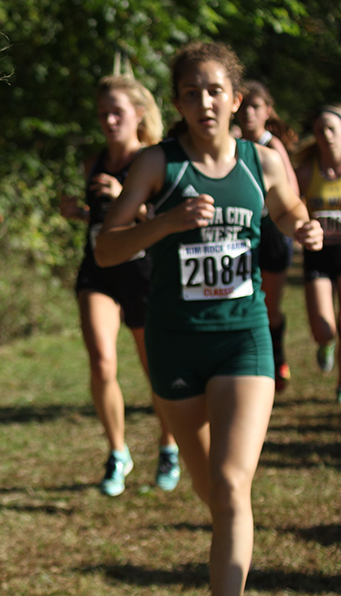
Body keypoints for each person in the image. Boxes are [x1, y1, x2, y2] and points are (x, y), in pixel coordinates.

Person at [95, 42, 322, 596]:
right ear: (177, 101)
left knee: (229, 484)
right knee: (212, 490)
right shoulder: (158, 163)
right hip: (175, 344)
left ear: (236, 98)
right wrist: (167, 222)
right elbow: (107, 249)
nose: (205, 102)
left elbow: (288, 205)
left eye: (215, 90)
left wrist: (302, 226)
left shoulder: (260, 161)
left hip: (244, 339)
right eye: (192, 93)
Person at [60, 75, 180, 497]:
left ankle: (168, 446)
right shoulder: (93, 162)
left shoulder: (153, 160)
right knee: (102, 362)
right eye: (103, 114)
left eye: (118, 113)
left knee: (156, 372)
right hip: (99, 272)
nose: (109, 121)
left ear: (139, 114)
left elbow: (167, 221)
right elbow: (102, 218)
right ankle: (118, 451)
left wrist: (128, 195)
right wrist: (80, 212)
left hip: (146, 274)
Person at [236, 80, 299, 391]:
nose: (248, 112)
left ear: (267, 112)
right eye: (244, 105)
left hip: (271, 232)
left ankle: (277, 356)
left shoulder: (272, 147)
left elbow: (293, 195)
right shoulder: (229, 143)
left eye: (255, 106)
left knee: (269, 307)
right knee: (242, 301)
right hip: (239, 233)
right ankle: (247, 366)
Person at [294, 103, 341, 401]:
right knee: (323, 328)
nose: (326, 135)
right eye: (320, 130)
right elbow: (292, 206)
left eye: (332, 128)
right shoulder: (307, 171)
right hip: (320, 254)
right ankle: (327, 344)